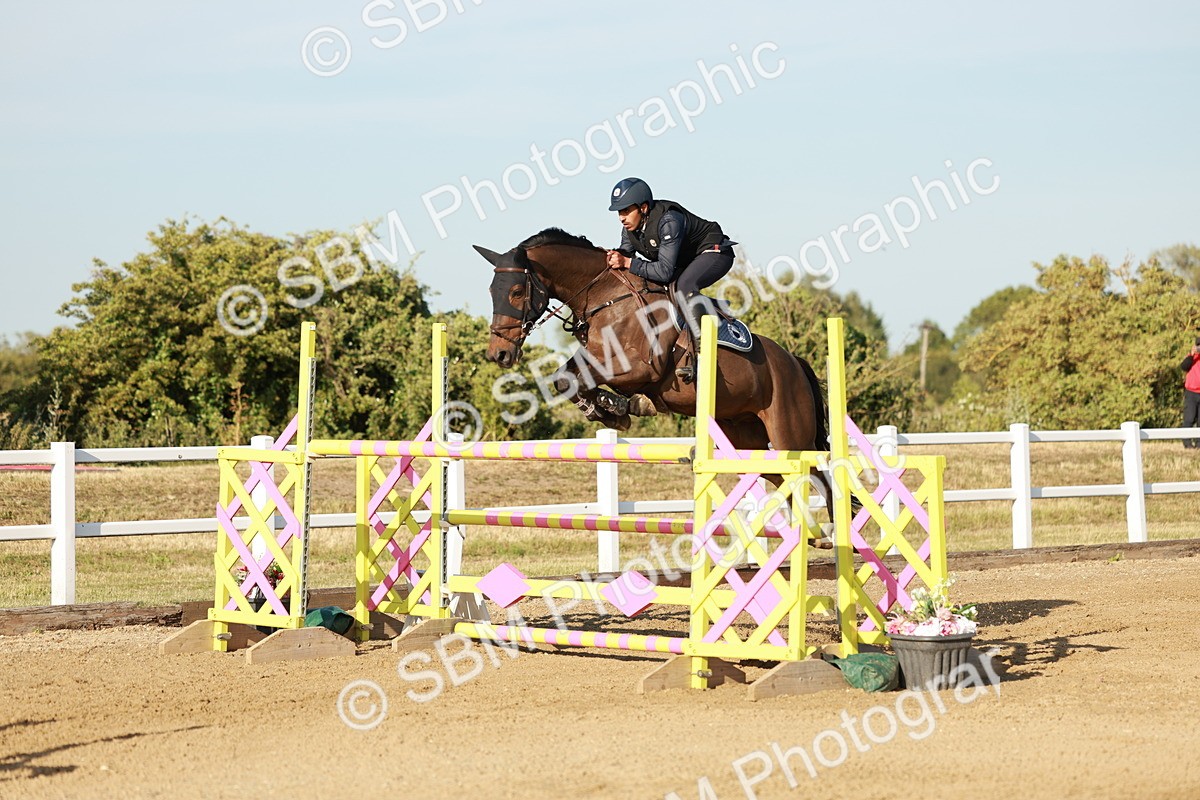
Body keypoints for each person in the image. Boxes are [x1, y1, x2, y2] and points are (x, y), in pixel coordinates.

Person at [604, 177, 735, 382]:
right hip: (686, 262)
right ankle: (713, 308)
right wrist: (613, 257)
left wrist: (628, 263)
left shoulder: (669, 220)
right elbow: (625, 254)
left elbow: (664, 271)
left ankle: (703, 356)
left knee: (684, 287)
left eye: (626, 211)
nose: (622, 217)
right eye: (619, 212)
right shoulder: (630, 229)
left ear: (644, 207)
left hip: (715, 252)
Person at [1182, 337, 1200, 448]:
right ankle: (1187, 443)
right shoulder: (1191, 357)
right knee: (1189, 418)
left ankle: (1199, 444)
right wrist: (1192, 354)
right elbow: (1184, 367)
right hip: (1191, 392)